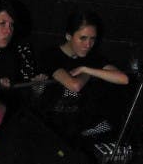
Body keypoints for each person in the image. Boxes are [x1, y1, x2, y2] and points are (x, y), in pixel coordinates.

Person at [36, 10, 129, 143]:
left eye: (92, 39)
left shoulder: (92, 58)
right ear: (69, 36)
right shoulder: (51, 55)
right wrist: (86, 73)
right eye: (83, 38)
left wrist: (87, 69)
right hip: (52, 125)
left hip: (81, 127)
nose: (88, 44)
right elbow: (74, 85)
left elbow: (123, 79)